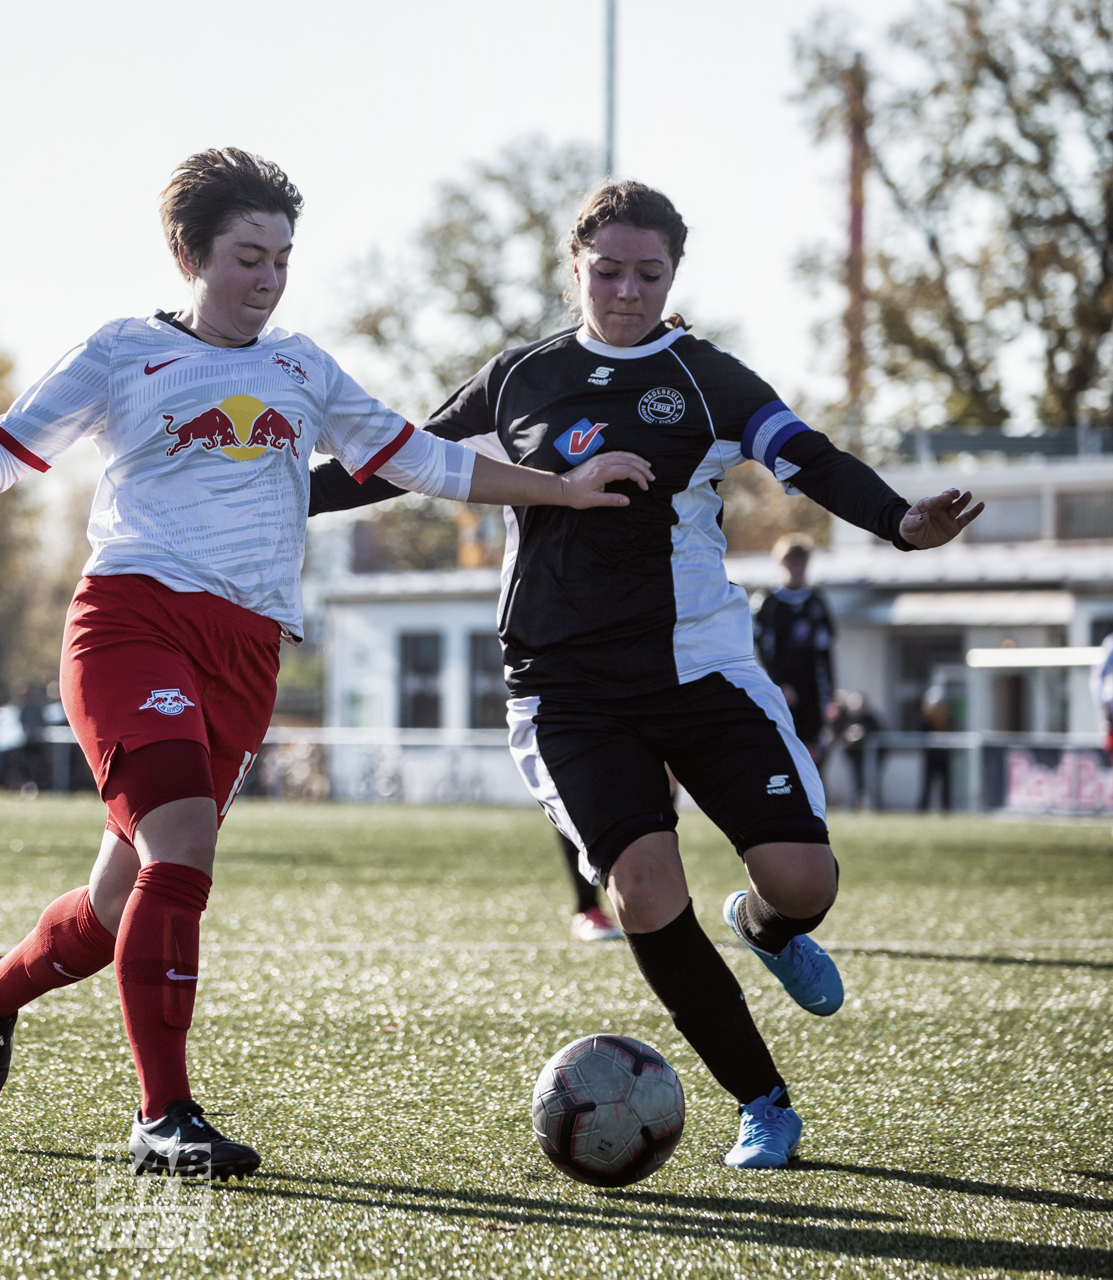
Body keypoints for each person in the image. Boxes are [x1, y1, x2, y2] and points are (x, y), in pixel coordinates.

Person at [0, 148, 654, 1179]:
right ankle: (163, 1112)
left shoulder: (302, 366)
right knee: (181, 848)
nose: (267, 280)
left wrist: (563, 487)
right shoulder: (122, 351)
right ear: (190, 254)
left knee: (110, 911)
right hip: (132, 621)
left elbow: (421, 456)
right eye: (246, 257)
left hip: (245, 651)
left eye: (281, 259)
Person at [309, 179, 983, 1169]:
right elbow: (396, 459)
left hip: (702, 667)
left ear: (673, 275)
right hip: (565, 687)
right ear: (574, 266)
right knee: (642, 884)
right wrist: (270, 493)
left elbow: (810, 457)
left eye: (648, 273)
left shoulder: (709, 378)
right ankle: (764, 1101)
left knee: (803, 878)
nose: (626, 290)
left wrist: (901, 522)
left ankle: (763, 923)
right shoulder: (518, 378)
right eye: (608, 269)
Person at [754, 536, 834, 766]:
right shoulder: (768, 603)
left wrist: (829, 695)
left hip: (811, 690)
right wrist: (778, 684)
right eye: (791, 565)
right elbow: (761, 651)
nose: (797, 570)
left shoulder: (816, 603)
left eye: (801, 564)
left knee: (812, 752)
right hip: (779, 691)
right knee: (781, 752)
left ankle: (812, 801)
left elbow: (825, 652)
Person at [919, 683, 954, 812]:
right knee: (927, 785)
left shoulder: (947, 718)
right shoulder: (926, 719)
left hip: (944, 756)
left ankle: (947, 810)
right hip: (931, 756)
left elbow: (951, 731)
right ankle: (923, 810)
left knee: (945, 786)